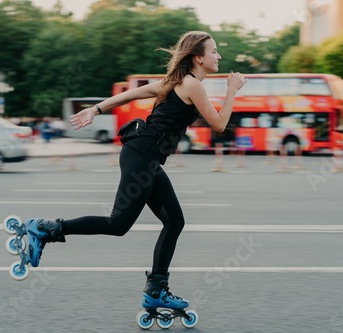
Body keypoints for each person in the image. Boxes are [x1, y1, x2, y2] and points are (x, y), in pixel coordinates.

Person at [25, 31, 247, 310]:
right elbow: (219, 124)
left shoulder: (175, 82)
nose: (219, 56)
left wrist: (96, 109)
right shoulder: (192, 85)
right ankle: (45, 229)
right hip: (143, 155)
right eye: (214, 51)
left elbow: (133, 94)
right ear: (198, 57)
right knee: (118, 224)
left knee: (174, 222)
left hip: (145, 156)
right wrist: (232, 91)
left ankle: (157, 290)